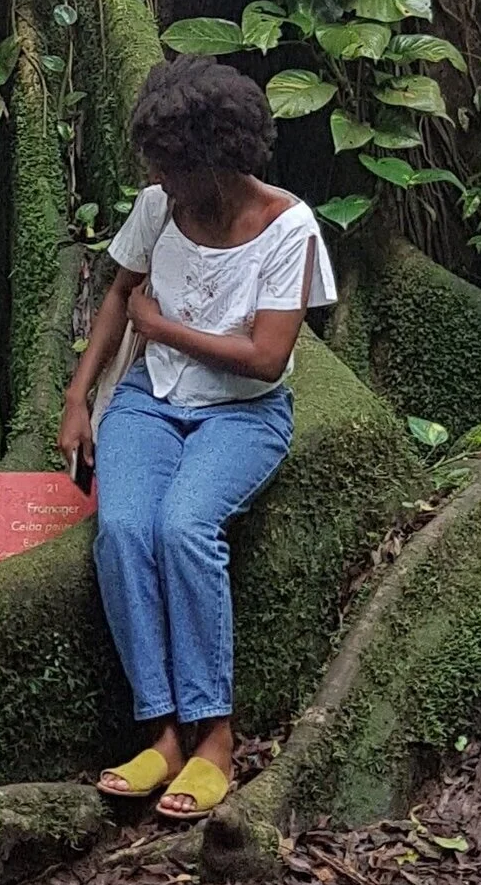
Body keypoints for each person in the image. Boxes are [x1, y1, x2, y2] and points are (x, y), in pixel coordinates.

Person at [58, 56, 337, 822]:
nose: (161, 179)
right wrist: (80, 397)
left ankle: (215, 739)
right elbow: (119, 293)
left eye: (173, 165)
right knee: (121, 529)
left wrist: (164, 327)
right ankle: (161, 734)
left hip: (243, 413)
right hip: (150, 399)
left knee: (185, 528)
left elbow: (269, 356)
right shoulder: (158, 206)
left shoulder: (288, 228)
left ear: (217, 157)